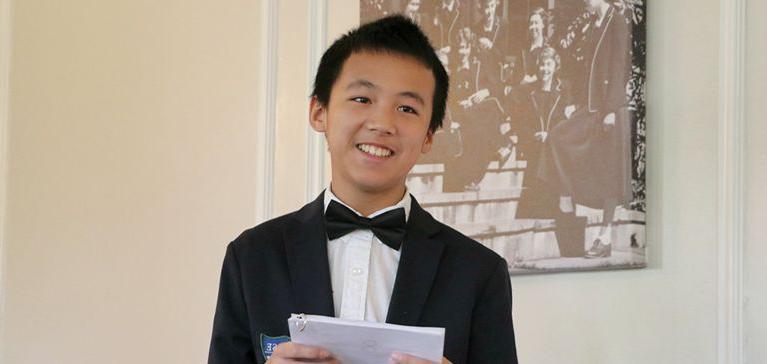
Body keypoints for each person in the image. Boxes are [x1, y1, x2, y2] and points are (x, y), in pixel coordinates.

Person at [208, 15, 518, 364]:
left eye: (406, 108)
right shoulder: (252, 256)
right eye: (362, 99)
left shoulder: (478, 272)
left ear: (429, 136)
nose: (383, 123)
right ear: (319, 111)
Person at [538, 0, 633, 258]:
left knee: (609, 173)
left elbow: (618, 67)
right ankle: (566, 195)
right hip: (592, 107)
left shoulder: (617, 21)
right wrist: (576, 104)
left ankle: (605, 237)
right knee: (558, 137)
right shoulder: (594, 23)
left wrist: (612, 109)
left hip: (608, 109)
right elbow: (586, 68)